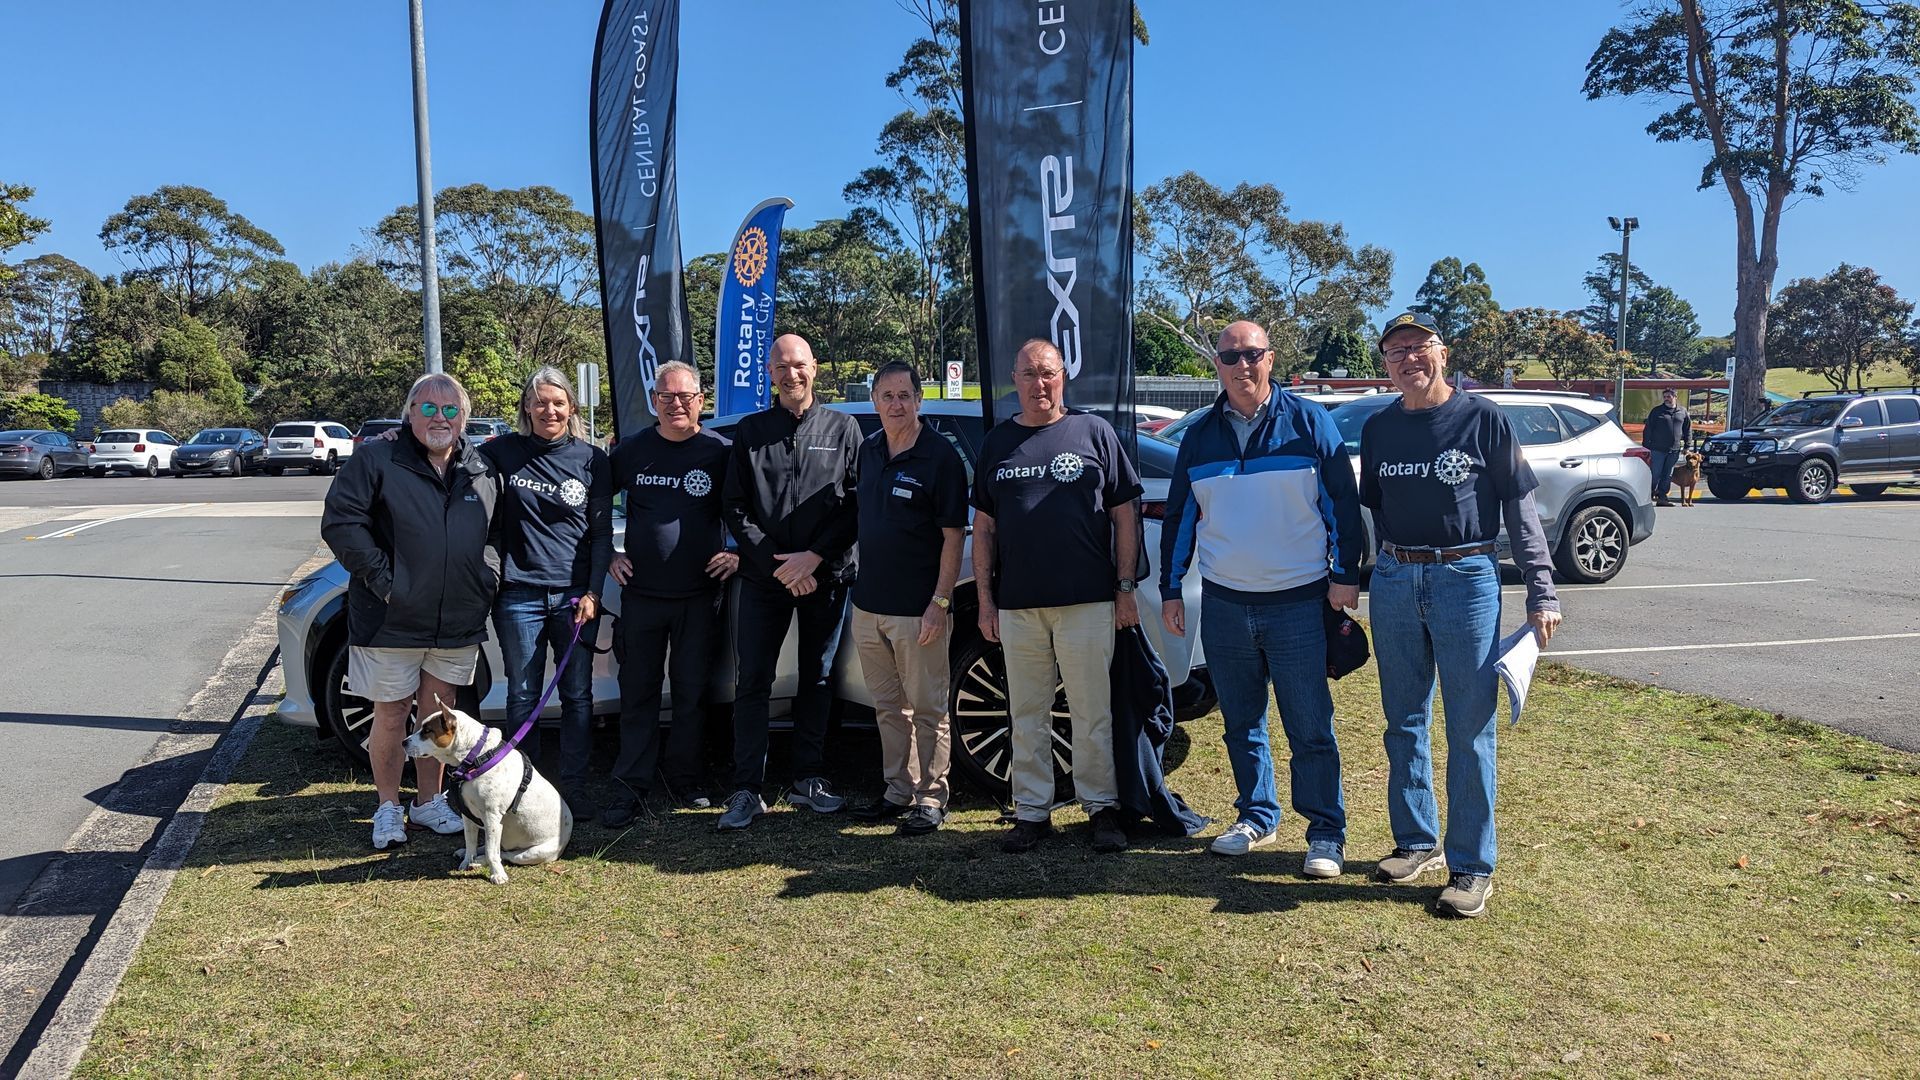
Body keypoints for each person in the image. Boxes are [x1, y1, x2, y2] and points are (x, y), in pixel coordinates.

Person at [1360, 311, 1563, 918]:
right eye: (1396, 352)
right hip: (1395, 579)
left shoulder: (1483, 421)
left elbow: (1520, 514)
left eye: (1418, 347)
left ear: (1442, 353)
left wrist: (1542, 590)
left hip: (1467, 579)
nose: (1408, 359)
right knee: (1403, 720)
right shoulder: (1378, 429)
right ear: (1387, 364)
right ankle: (1416, 840)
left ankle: (1472, 866)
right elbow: (1374, 512)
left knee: (1471, 728)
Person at [1159, 320, 1366, 875]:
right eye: (1230, 356)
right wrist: (1171, 588)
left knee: (1309, 725)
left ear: (1270, 359)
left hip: (1299, 603)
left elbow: (1341, 502)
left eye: (1252, 354)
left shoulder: (1308, 422)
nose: (1241, 365)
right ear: (1218, 365)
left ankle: (1325, 831)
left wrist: (1346, 573)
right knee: (1240, 722)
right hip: (1226, 605)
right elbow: (1180, 515)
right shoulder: (1200, 435)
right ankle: (1257, 814)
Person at [973, 338, 1144, 855]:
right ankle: (1032, 812)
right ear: (1014, 380)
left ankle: (1101, 809)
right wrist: (984, 599)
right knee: (1026, 713)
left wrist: (1125, 587)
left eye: (1047, 372)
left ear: (1062, 376)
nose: (1038, 384)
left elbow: (1124, 514)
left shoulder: (1094, 432)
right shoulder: (998, 443)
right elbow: (983, 527)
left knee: (1092, 711)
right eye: (1027, 374)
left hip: (1087, 601)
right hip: (1019, 605)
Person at [321, 372, 502, 849]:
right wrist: (386, 582)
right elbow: (342, 523)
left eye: (449, 410)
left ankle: (427, 803)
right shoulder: (377, 457)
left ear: (463, 418)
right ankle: (387, 808)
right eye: (427, 408)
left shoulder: (480, 468)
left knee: (439, 715)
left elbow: (496, 535)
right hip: (390, 619)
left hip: (456, 619)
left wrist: (487, 577)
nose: (439, 418)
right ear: (409, 413)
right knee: (392, 714)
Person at [717, 334, 863, 830]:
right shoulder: (750, 431)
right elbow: (734, 506)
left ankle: (809, 778)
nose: (791, 374)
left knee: (818, 677)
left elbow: (855, 504)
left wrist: (814, 559)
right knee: (753, 679)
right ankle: (746, 788)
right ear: (769, 372)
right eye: (781, 366)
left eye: (799, 365)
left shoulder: (845, 429)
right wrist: (780, 562)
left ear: (815, 368)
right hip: (765, 577)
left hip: (827, 576)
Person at [601, 361, 738, 825]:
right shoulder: (633, 451)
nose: (676, 404)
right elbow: (596, 503)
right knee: (636, 691)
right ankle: (631, 783)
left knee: (691, 692)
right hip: (641, 596)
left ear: (701, 401)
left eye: (685, 397)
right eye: (666, 397)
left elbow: (747, 510)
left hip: (701, 596)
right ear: (653, 401)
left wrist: (737, 552)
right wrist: (608, 555)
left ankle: (687, 779)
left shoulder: (721, 452)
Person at [479, 366, 612, 818]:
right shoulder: (501, 453)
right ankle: (523, 788)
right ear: (526, 408)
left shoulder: (592, 459)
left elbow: (600, 537)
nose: (549, 410)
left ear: (571, 407)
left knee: (578, 695)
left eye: (558, 402)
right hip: (519, 595)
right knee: (522, 694)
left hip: (575, 596)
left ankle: (573, 788)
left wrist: (593, 591)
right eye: (539, 402)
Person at [848, 361, 968, 836]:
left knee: (928, 708)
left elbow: (953, 536)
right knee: (886, 707)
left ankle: (933, 797)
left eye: (904, 395)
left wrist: (939, 603)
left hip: (918, 611)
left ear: (919, 400)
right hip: (868, 605)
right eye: (886, 396)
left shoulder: (940, 457)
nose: (895, 404)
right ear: (874, 401)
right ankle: (897, 791)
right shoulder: (869, 450)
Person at [1641, 388, 1691, 507]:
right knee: (1655, 474)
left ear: (1675, 397)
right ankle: (1648, 496)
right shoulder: (1657, 411)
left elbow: (1687, 429)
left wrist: (1687, 445)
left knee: (1667, 475)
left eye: (1669, 396)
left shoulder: (1682, 412)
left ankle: (1662, 497)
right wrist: (1646, 446)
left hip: (1674, 450)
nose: (1666, 399)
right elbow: (1648, 429)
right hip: (1657, 449)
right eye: (1665, 397)